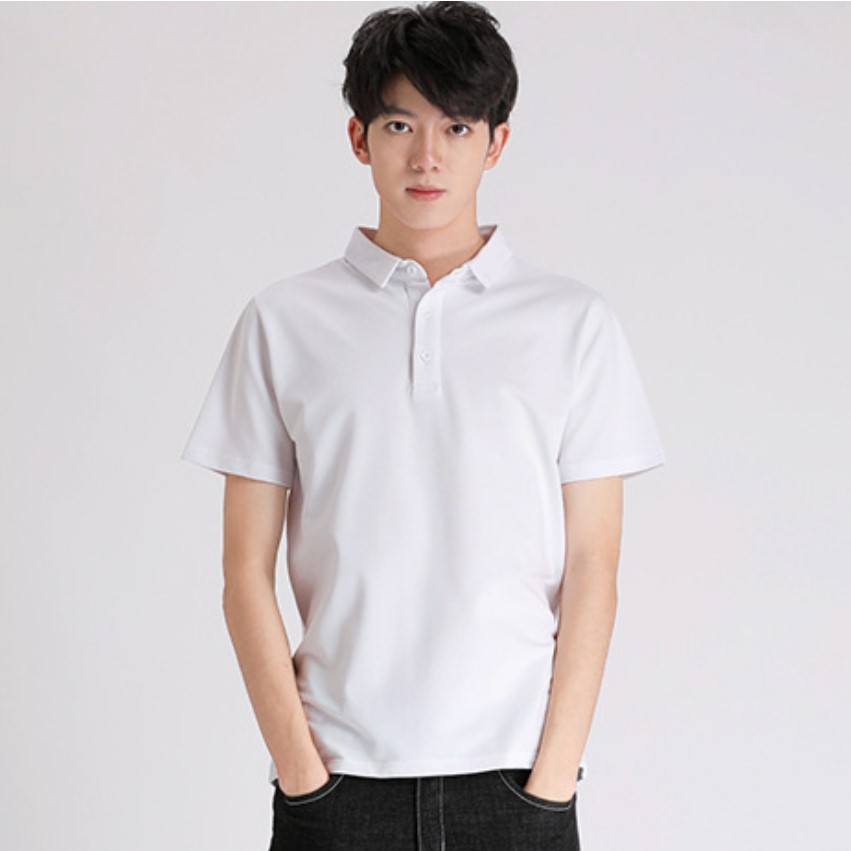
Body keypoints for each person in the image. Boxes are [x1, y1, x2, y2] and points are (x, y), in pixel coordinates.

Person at [180, 2, 665, 849]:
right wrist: (301, 772)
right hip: (337, 784)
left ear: (496, 142)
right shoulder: (283, 322)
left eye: (457, 126)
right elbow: (242, 569)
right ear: (359, 138)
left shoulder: (572, 323)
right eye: (400, 124)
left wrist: (552, 776)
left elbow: (594, 566)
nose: (428, 156)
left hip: (515, 781)